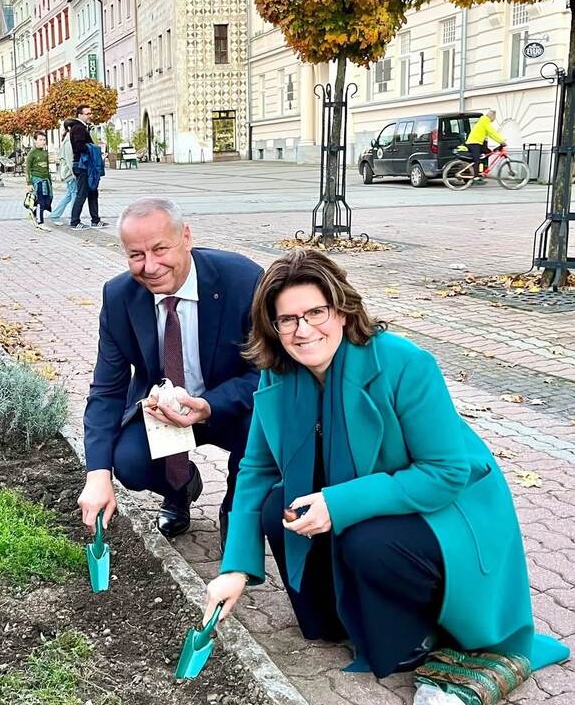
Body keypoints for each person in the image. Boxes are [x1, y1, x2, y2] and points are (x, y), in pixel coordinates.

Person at [205, 249, 569, 679]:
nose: (304, 330)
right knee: (278, 506)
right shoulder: (279, 372)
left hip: (447, 508)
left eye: (316, 312)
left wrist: (337, 503)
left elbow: (446, 472)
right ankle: (339, 617)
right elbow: (257, 468)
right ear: (274, 326)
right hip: (370, 491)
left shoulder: (402, 363)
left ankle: (415, 637)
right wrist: (236, 569)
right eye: (288, 319)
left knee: (363, 539)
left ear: (342, 310)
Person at [77, 197, 262, 547]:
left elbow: (265, 374)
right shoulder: (119, 297)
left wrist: (208, 405)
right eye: (136, 255)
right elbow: (107, 392)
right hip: (162, 412)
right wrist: (97, 475)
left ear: (187, 237)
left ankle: (236, 508)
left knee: (264, 430)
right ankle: (181, 486)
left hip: (231, 405)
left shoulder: (243, 280)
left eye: (161, 249)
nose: (150, 266)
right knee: (128, 461)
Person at [69, 104, 108, 230]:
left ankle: (95, 220)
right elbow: (79, 146)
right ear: (80, 115)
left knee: (92, 192)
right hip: (82, 165)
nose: (89, 116)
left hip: (86, 164)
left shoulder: (82, 127)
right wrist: (93, 148)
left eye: (90, 113)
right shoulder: (78, 128)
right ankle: (75, 221)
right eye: (87, 114)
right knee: (82, 193)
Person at [464, 109, 505, 181]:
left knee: (488, 153)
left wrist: (499, 143)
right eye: (494, 118)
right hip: (474, 143)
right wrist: (501, 141)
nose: (494, 119)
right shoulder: (485, 122)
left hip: (478, 142)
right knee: (477, 159)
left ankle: (482, 172)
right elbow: (492, 133)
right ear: (492, 116)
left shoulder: (483, 121)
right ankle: (476, 176)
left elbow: (489, 135)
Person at [50, 119, 77, 226]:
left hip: (68, 173)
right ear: (70, 128)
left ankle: (55, 214)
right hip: (70, 174)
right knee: (74, 194)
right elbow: (70, 160)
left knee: (69, 195)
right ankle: (74, 217)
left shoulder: (68, 140)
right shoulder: (68, 142)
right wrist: (75, 174)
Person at [25, 131, 53, 231]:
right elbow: (27, 168)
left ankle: (34, 212)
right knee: (41, 200)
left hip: (46, 180)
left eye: (44, 140)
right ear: (35, 141)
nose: (43, 142)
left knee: (47, 200)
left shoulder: (45, 153)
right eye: (40, 140)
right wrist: (29, 183)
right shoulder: (31, 153)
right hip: (37, 179)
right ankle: (40, 222)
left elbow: (47, 167)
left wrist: (50, 179)